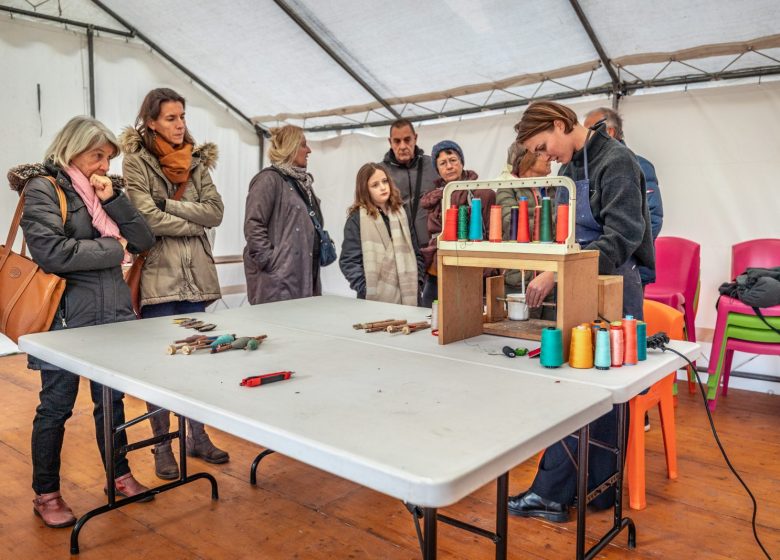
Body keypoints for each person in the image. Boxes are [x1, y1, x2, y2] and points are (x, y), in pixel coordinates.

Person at [507, 100, 654, 522]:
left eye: (542, 145)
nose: (544, 156)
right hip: (584, 284)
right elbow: (566, 233)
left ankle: (554, 494)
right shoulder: (571, 170)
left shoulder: (617, 161)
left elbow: (624, 235)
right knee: (588, 386)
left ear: (559, 124)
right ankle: (594, 491)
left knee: (595, 390)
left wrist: (559, 271)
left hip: (614, 287)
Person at [9, 116, 156, 528]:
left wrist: (113, 203)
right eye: (98, 156)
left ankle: (120, 473)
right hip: (64, 323)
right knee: (55, 408)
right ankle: (47, 492)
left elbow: (143, 241)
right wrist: (113, 248)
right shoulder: (43, 188)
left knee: (110, 405)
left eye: (108, 158)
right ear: (72, 148)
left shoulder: (105, 191)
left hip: (111, 317)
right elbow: (53, 253)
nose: (104, 166)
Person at [121, 88, 229, 480]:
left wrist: (168, 204)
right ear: (151, 121)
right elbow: (145, 219)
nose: (180, 124)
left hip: (196, 278)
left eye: (182, 115)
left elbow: (215, 212)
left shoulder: (197, 161)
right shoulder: (136, 162)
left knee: (197, 363)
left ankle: (197, 436)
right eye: (170, 117)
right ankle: (162, 447)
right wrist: (188, 216)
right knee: (162, 369)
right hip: (158, 281)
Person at [244, 125, 324, 304]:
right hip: (278, 285)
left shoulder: (303, 185)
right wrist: (273, 263)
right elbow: (253, 224)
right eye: (304, 145)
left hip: (303, 280)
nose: (309, 150)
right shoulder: (268, 180)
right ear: (291, 147)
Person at [583, 107, 663, 285]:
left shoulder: (636, 165)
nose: (584, 137)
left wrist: (624, 249)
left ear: (609, 131)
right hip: (600, 262)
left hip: (628, 266)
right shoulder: (591, 166)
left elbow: (653, 219)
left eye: (588, 130)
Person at [419, 140, 495, 307]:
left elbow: (493, 235)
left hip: (471, 269)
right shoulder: (434, 199)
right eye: (443, 163)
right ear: (437, 169)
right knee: (430, 317)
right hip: (438, 271)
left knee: (468, 320)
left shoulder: (483, 193)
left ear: (461, 162)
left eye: (453, 160)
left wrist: (488, 267)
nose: (449, 166)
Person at [339, 163, 423, 304]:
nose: (383, 187)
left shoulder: (402, 213)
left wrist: (418, 282)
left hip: (410, 295)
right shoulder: (356, 219)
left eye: (385, 181)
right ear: (365, 190)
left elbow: (416, 252)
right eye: (375, 185)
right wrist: (368, 289)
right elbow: (349, 261)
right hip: (374, 300)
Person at [496, 141, 553, 316]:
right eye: (542, 152)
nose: (549, 156)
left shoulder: (554, 189)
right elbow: (511, 225)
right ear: (527, 159)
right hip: (519, 281)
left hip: (551, 279)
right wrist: (551, 229)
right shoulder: (507, 189)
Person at [381, 119, 438, 246]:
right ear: (390, 142)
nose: (402, 146)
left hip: (432, 247)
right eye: (397, 141)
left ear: (415, 138)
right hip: (398, 248)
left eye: (407, 140)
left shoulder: (434, 166)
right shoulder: (380, 173)